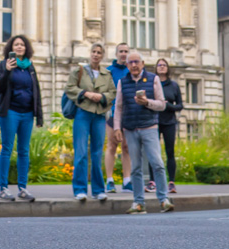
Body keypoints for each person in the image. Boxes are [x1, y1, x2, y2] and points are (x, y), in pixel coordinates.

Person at [112, 51, 173, 213]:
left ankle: (164, 199)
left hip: (149, 127)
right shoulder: (122, 82)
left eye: (136, 62)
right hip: (130, 129)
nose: (134, 65)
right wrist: (117, 127)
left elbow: (162, 104)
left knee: (157, 164)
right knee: (136, 168)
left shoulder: (153, 79)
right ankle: (138, 202)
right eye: (130, 63)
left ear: (143, 63)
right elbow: (118, 107)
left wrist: (147, 102)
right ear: (127, 65)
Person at [0, 33, 43, 201]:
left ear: (26, 48)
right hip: (10, 112)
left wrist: (39, 117)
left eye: (22, 45)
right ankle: (3, 188)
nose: (19, 47)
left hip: (27, 113)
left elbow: (36, 92)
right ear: (11, 49)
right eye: (16, 45)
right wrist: (7, 71)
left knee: (24, 151)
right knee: (7, 148)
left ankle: (23, 188)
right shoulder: (3, 65)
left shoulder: (30, 67)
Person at [65, 43, 114, 202]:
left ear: (102, 55)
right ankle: (80, 189)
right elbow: (69, 88)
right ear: (90, 53)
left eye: (99, 52)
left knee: (97, 153)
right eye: (94, 51)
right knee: (80, 152)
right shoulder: (79, 71)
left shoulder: (107, 74)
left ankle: (99, 190)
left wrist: (102, 97)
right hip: (82, 114)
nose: (96, 55)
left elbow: (113, 92)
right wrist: (85, 93)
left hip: (99, 115)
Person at [104, 42, 132, 195]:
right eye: (121, 51)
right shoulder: (108, 71)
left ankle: (127, 181)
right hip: (112, 114)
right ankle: (109, 180)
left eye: (126, 51)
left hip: (128, 115)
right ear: (116, 54)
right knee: (111, 146)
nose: (123, 54)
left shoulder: (132, 70)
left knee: (127, 147)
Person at [155, 58, 184, 195]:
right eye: (159, 65)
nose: (161, 67)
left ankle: (171, 182)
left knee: (169, 152)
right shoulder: (153, 84)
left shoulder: (173, 85)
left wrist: (168, 106)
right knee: (154, 153)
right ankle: (153, 182)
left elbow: (180, 106)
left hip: (169, 122)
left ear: (167, 68)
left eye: (164, 65)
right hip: (154, 121)